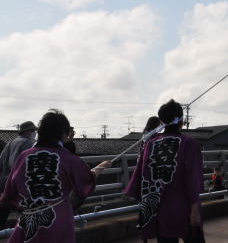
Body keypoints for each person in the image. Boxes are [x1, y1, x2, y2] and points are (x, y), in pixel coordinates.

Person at [0, 110, 111, 242]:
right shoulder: (68, 158)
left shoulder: (24, 156)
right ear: (63, 134)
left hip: (28, 221)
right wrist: (102, 166)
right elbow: (86, 180)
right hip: (59, 221)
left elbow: (8, 194)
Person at [126, 100, 204, 242]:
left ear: (161, 121)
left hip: (160, 211)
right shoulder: (190, 144)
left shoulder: (151, 144)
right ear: (182, 120)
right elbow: (193, 180)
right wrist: (195, 209)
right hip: (185, 208)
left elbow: (142, 177)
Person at [0, 121, 38, 229]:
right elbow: (28, 166)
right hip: (17, 184)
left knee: (3, 212)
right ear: (28, 132)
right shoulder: (27, 144)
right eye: (33, 131)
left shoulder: (10, 143)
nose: (35, 133)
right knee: (23, 214)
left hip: (3, 183)